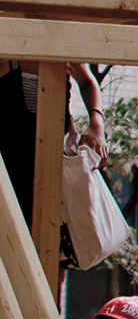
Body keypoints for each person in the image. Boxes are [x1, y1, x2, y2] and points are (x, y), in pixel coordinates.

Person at [2, 61, 108, 256]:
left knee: (55, 256)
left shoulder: (60, 47)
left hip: (51, 167)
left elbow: (87, 81)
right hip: (10, 170)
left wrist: (97, 125)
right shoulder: (9, 50)